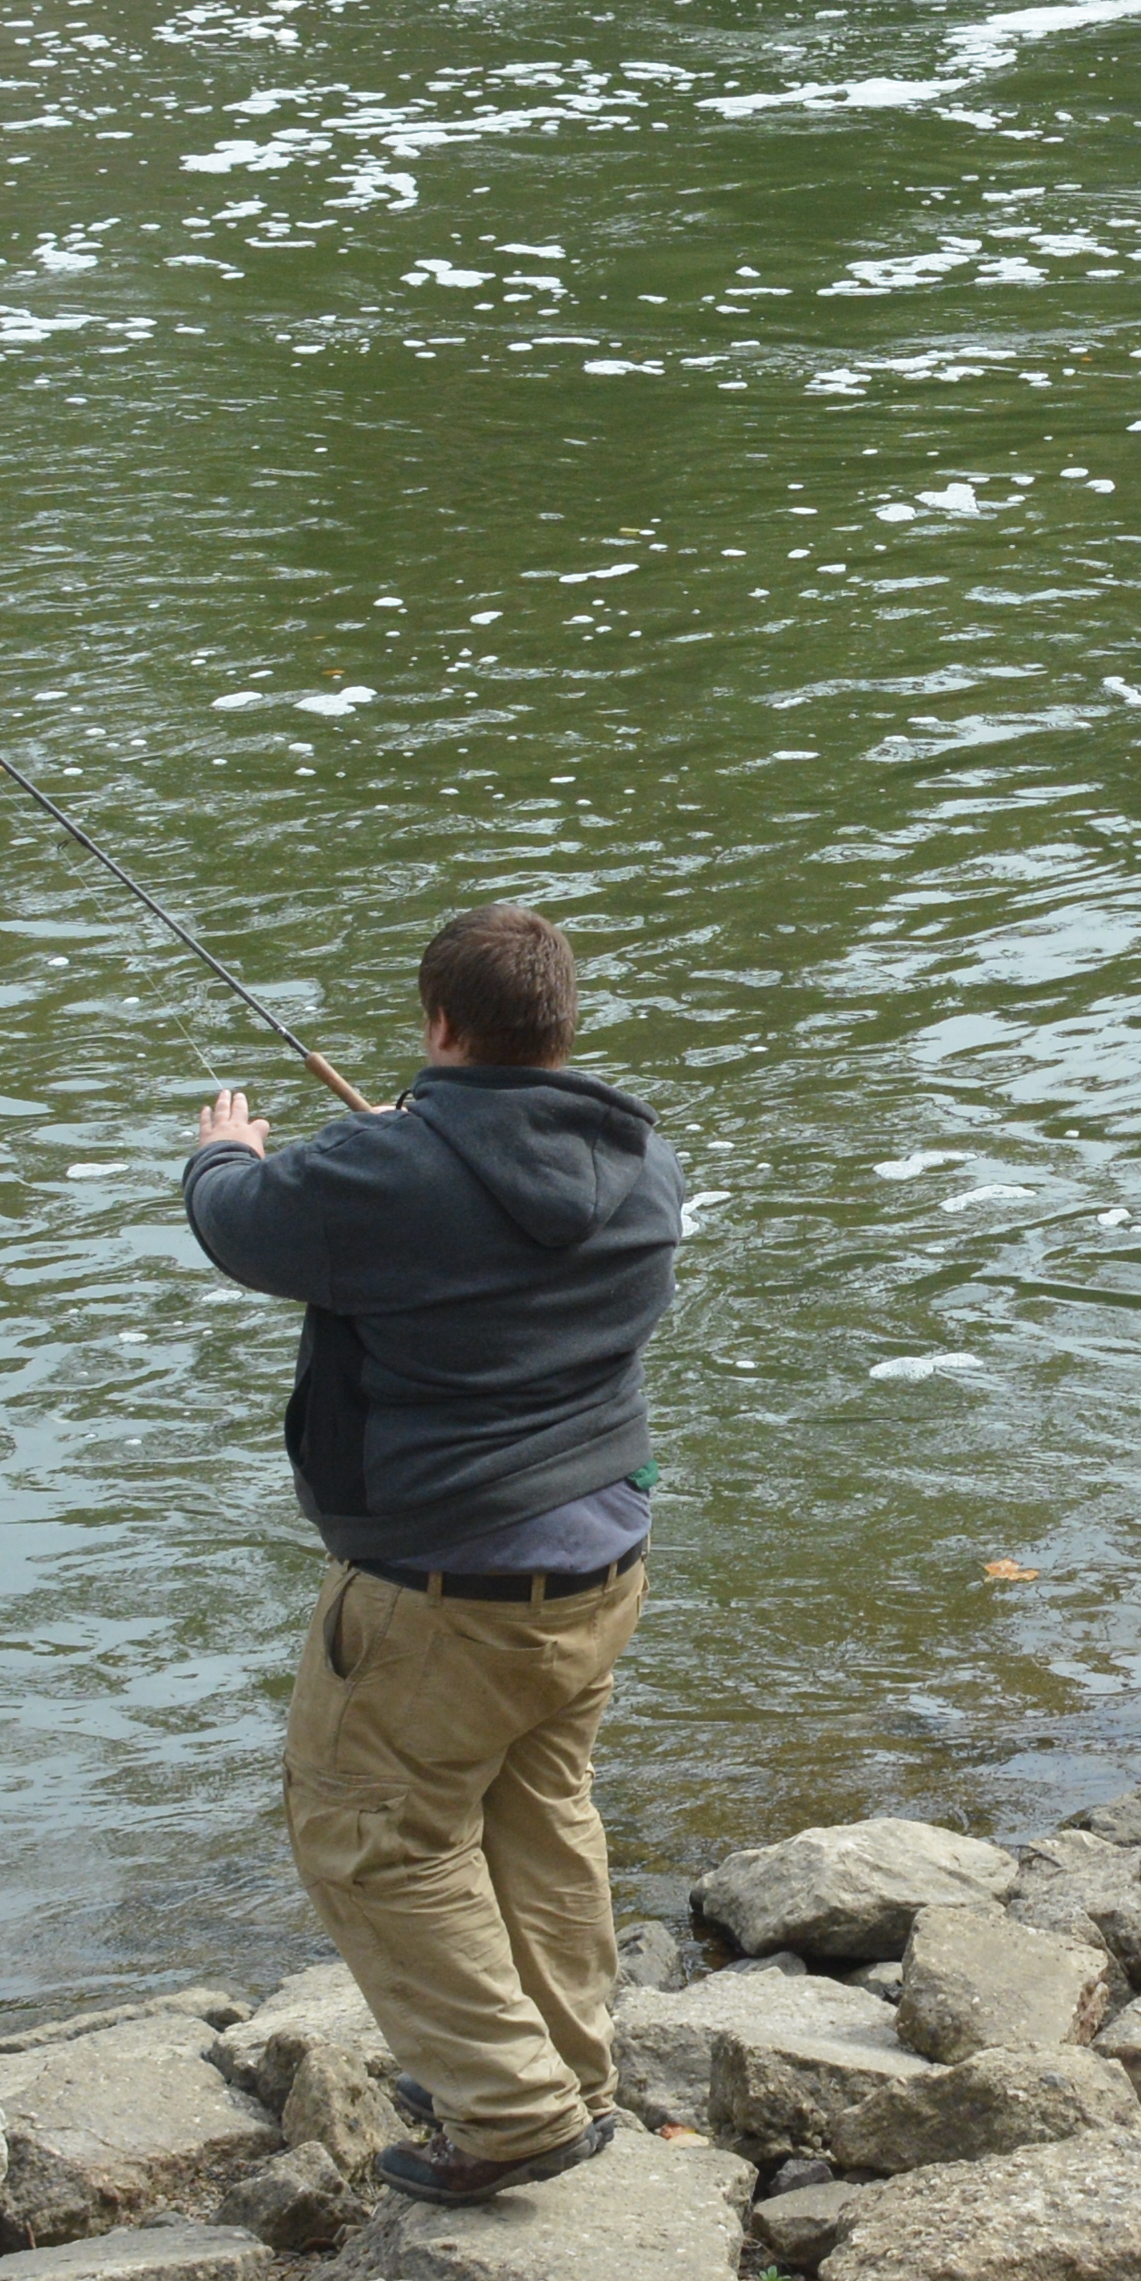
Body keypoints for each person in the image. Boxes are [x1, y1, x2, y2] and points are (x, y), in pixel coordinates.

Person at [184, 902, 679, 2204]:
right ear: (564, 1026)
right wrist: (418, 1136)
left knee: (369, 1836)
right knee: (535, 1813)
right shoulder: (638, 1162)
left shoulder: (384, 1175)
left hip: (443, 1590)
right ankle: (570, 2073)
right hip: (600, 1568)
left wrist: (225, 1151)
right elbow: (471, 1219)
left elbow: (245, 1223)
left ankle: (511, 2114)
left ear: (441, 1024)